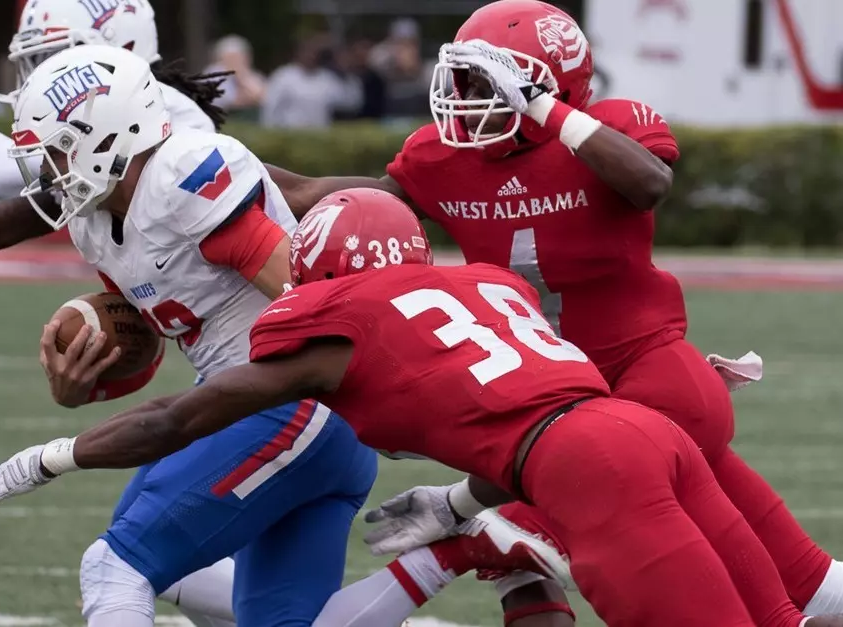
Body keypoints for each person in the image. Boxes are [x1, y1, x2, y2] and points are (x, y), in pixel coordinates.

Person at [0, 186, 836, 627]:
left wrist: (55, 455)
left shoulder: (337, 316)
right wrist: (457, 505)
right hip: (637, 432)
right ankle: (481, 539)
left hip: (591, 468)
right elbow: (518, 412)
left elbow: (179, 419)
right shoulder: (485, 281)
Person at [263, 1, 843, 621]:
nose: (467, 96)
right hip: (556, 397)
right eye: (465, 79)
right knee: (811, 589)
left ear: (547, 80)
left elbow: (650, 183)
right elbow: (312, 196)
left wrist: (545, 109)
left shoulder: (607, 130)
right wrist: (193, 152)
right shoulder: (444, 159)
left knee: (513, 529)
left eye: (488, 80)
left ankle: (485, 532)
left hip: (646, 382)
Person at [0, 43, 378, 627]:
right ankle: (419, 580)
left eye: (59, 152)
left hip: (290, 402)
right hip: (267, 405)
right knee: (262, 613)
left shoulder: (183, 174)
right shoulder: (97, 220)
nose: (50, 172)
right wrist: (84, 382)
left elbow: (308, 307)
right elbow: (152, 340)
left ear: (105, 137)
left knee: (115, 567)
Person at [0, 0, 225, 201]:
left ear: (122, 47)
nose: (44, 75)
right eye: (38, 60)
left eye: (57, 56)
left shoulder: (150, 109)